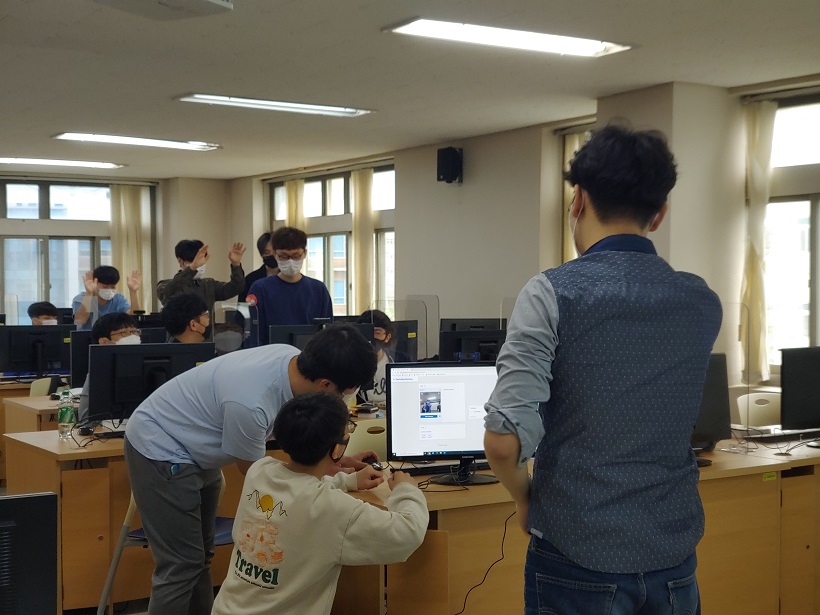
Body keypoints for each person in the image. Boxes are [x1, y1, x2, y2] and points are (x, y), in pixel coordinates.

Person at [483, 125, 723, 615]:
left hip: (576, 554)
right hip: (673, 557)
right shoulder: (700, 300)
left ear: (578, 200)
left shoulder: (551, 292)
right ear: (660, 213)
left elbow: (503, 442)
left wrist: (525, 500)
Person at [123, 323, 378, 615]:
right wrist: (337, 476)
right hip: (161, 447)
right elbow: (264, 478)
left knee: (200, 558)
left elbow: (294, 448)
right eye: (349, 392)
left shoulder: (290, 359)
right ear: (326, 385)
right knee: (181, 564)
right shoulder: (251, 404)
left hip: (200, 445)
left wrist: (334, 461)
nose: (348, 399)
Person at [212, 392, 428, 615]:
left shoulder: (260, 470)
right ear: (337, 449)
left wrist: (349, 480)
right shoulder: (333, 508)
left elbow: (297, 490)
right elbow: (408, 533)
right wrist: (406, 489)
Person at [246, 227, 332, 346]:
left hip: (309, 355)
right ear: (275, 254)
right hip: (271, 355)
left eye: (296, 256)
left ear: (304, 253)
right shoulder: (260, 289)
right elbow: (253, 335)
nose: (290, 261)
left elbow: (328, 334)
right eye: (284, 256)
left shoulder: (318, 290)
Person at [77, 312, 141, 422]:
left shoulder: (144, 365)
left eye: (134, 332)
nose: (132, 336)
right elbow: (85, 421)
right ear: (104, 342)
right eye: (124, 333)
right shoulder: (99, 373)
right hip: (105, 429)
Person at [157, 239, 246, 315]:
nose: (200, 265)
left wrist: (236, 265)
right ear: (180, 261)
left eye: (202, 261)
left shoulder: (209, 285)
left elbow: (236, 287)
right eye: (195, 261)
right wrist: (192, 268)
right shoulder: (165, 284)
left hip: (206, 330)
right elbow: (167, 293)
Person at [72, 265, 142, 331]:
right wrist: (89, 293)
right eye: (105, 287)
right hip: (87, 338)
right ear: (94, 283)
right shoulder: (81, 299)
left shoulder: (118, 299)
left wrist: (133, 292)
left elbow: (135, 317)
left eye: (113, 287)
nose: (109, 289)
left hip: (113, 338)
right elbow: (80, 320)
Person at [356, 309, 395, 405]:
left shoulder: (400, 360)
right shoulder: (351, 363)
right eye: (367, 333)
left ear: (387, 337)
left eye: (377, 332)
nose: (371, 337)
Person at [238, 232, 279, 303]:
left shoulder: (290, 277)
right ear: (261, 254)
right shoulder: (251, 279)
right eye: (267, 252)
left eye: (275, 251)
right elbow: (243, 306)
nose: (272, 255)